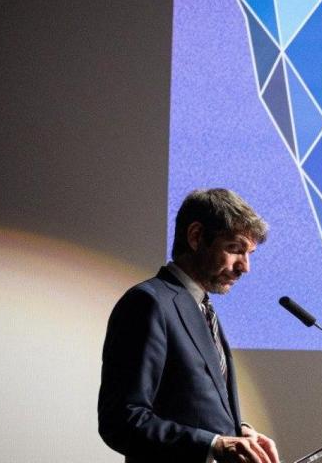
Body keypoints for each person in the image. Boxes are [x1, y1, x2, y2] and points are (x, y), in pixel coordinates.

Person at [98, 188, 279, 463]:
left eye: (249, 253)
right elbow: (121, 420)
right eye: (235, 249)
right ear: (195, 237)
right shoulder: (148, 303)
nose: (245, 266)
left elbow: (192, 405)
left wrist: (239, 433)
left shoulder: (202, 307)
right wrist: (214, 445)